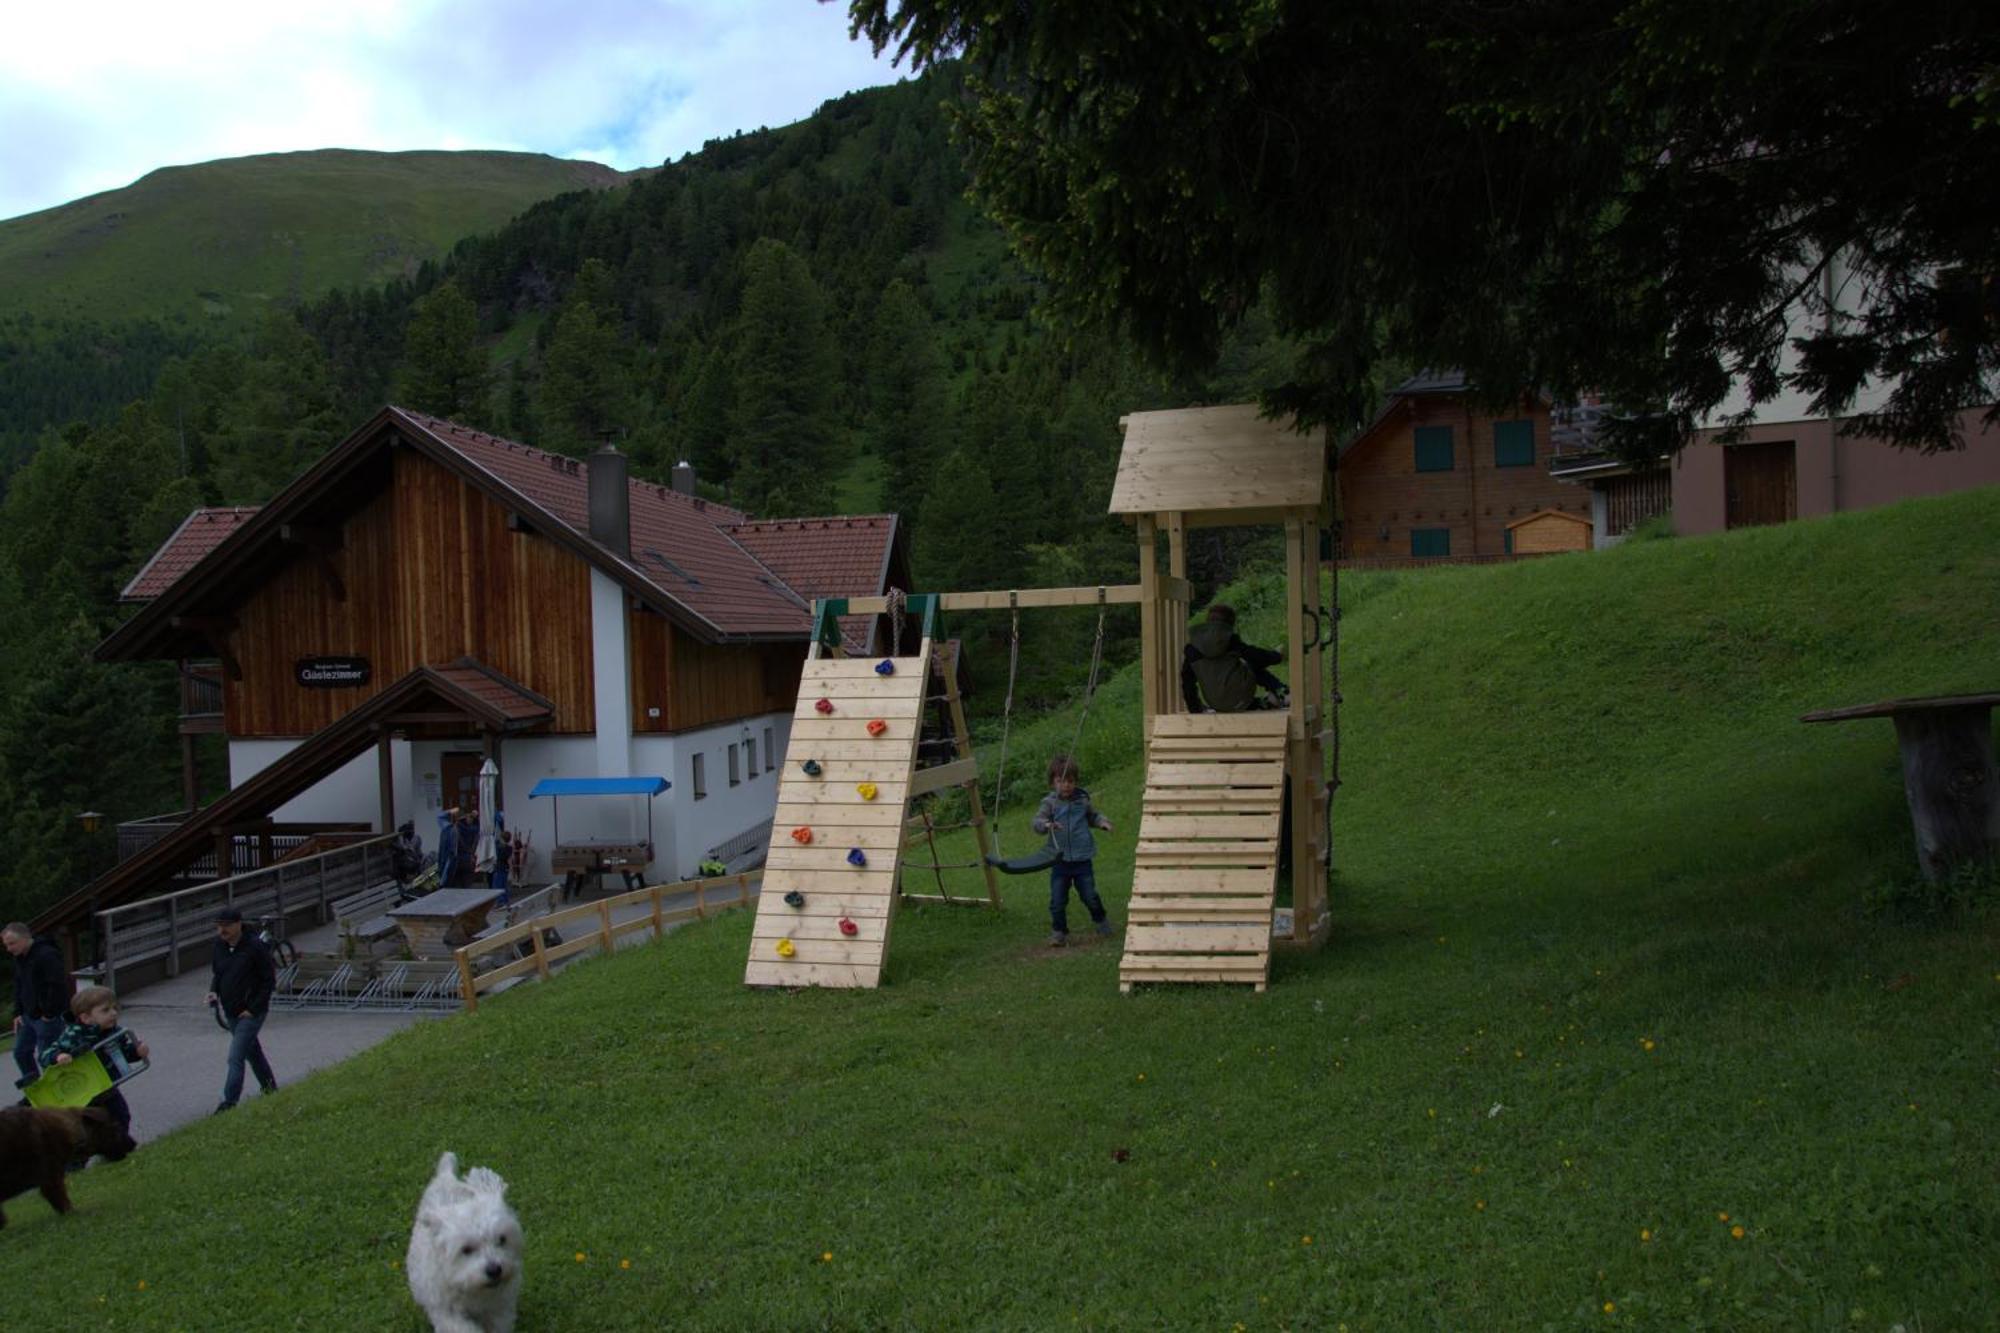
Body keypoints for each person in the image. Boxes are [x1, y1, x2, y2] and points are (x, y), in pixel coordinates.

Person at [1031, 754, 1117, 948]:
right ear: (1053, 782)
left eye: (1070, 781)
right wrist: (1046, 824)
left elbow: (1092, 816)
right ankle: (1059, 932)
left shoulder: (1082, 800)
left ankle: (1101, 921)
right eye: (1061, 781)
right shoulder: (1049, 803)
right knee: (1057, 900)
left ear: (1075, 781)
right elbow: (1036, 823)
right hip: (1059, 861)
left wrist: (1102, 822)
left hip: (1082, 860)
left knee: (1089, 896)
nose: (1066, 785)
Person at [40, 985, 148, 1136]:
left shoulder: (115, 1032)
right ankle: (80, 1157)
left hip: (106, 1086)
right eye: (105, 1010)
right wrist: (58, 1056)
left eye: (114, 1008)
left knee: (120, 1116)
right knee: (84, 1128)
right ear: (86, 1018)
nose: (113, 1013)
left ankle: (118, 1151)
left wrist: (137, 1052)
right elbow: (45, 1055)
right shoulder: (74, 1034)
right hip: (82, 1090)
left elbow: (122, 1055)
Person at [205, 908, 277, 1113]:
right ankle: (270, 1088)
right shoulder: (219, 946)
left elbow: (268, 981)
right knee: (252, 1052)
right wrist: (213, 992)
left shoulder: (255, 946)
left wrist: (253, 1008)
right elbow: (218, 974)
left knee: (236, 1055)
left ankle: (229, 1103)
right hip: (231, 1009)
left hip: (251, 1012)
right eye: (219, 925)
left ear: (238, 924)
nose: (222, 930)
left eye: (226, 925)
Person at [1181, 603, 1286, 713]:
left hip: (1216, 704)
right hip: (1241, 695)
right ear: (1230, 624)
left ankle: (1263, 703)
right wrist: (1276, 656)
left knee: (1230, 694)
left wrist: (1195, 709)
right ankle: (1281, 691)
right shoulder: (1230, 640)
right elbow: (1256, 656)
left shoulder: (1192, 648)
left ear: (1208, 622)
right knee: (1251, 663)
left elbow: (1187, 683)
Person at [5, 921, 68, 1088]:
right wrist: (18, 1012)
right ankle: (35, 1088)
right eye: (6, 945)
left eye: (12, 943)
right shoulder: (19, 958)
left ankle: (58, 1090)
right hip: (27, 1015)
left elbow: (56, 985)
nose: (9, 949)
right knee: (21, 1052)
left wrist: (49, 1013)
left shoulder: (46, 954)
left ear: (26, 938)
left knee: (47, 1057)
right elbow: (19, 984)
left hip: (46, 1016)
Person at [390, 820, 425, 893]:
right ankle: (400, 884)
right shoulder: (404, 839)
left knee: (401, 860)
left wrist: (402, 847)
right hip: (407, 861)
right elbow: (401, 847)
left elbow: (410, 849)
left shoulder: (416, 838)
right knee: (396, 860)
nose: (404, 835)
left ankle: (409, 884)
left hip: (416, 860)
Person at [435, 807, 461, 890]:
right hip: (449, 859)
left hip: (449, 859)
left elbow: (439, 817)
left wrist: (450, 811)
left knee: (446, 882)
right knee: (446, 881)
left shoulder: (448, 829)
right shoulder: (450, 828)